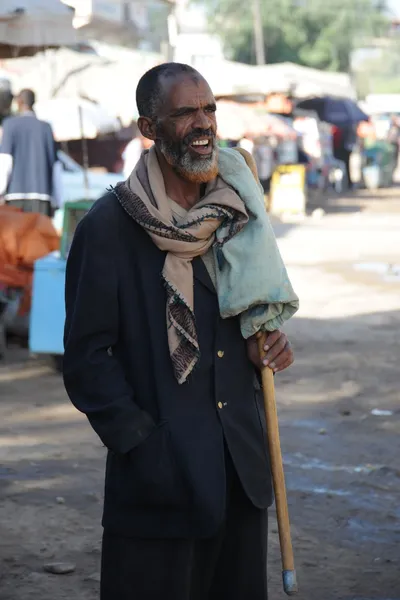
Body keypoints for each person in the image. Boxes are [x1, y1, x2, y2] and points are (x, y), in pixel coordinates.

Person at [63, 63, 298, 600]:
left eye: (209, 109)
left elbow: (245, 314)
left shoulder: (234, 213)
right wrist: (143, 446)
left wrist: (266, 340)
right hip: (157, 488)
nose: (203, 123)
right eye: (186, 112)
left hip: (240, 473)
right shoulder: (108, 228)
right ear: (149, 128)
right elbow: (86, 359)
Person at [0, 89, 61, 215]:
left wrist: (0, 190)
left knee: (16, 235)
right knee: (36, 235)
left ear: (19, 102)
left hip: (15, 197)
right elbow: (55, 166)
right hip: (42, 197)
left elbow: (5, 162)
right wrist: (58, 199)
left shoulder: (10, 125)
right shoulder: (46, 128)